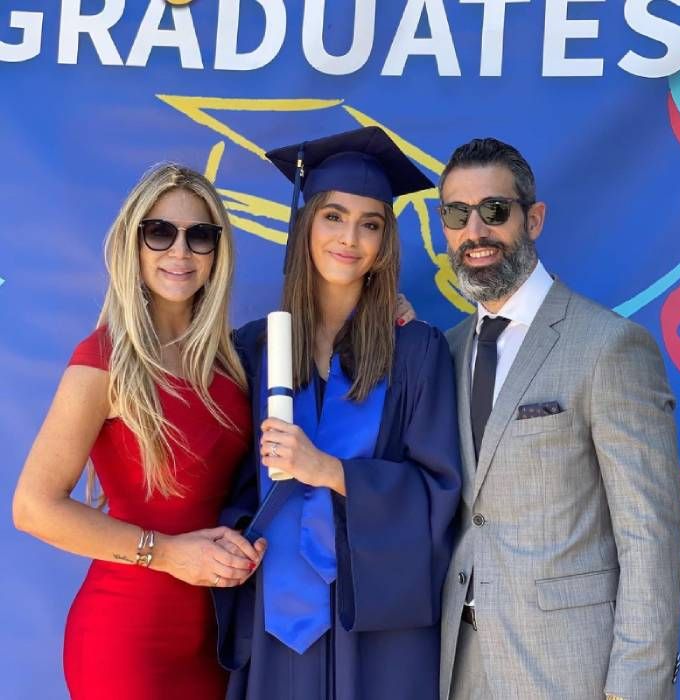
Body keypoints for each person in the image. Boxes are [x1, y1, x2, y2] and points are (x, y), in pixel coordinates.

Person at [213, 126, 463, 700]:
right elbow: (227, 484)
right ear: (304, 227)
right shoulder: (251, 349)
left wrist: (330, 471)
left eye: (370, 223)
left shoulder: (417, 351)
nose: (349, 238)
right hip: (275, 614)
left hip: (375, 620)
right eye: (332, 216)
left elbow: (440, 491)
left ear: (384, 244)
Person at [437, 138, 680, 699]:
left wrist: (637, 684)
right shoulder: (444, 353)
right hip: (459, 668)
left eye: (494, 210)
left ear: (534, 218)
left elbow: (650, 533)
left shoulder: (610, 346)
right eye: (457, 213)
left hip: (573, 669)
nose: (476, 231)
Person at [12, 164, 265, 700]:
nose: (180, 252)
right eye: (160, 232)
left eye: (200, 236)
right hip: (127, 639)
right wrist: (170, 554)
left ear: (218, 253)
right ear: (134, 243)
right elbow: (33, 507)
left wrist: (391, 311)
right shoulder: (104, 361)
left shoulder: (232, 364)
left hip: (216, 638)